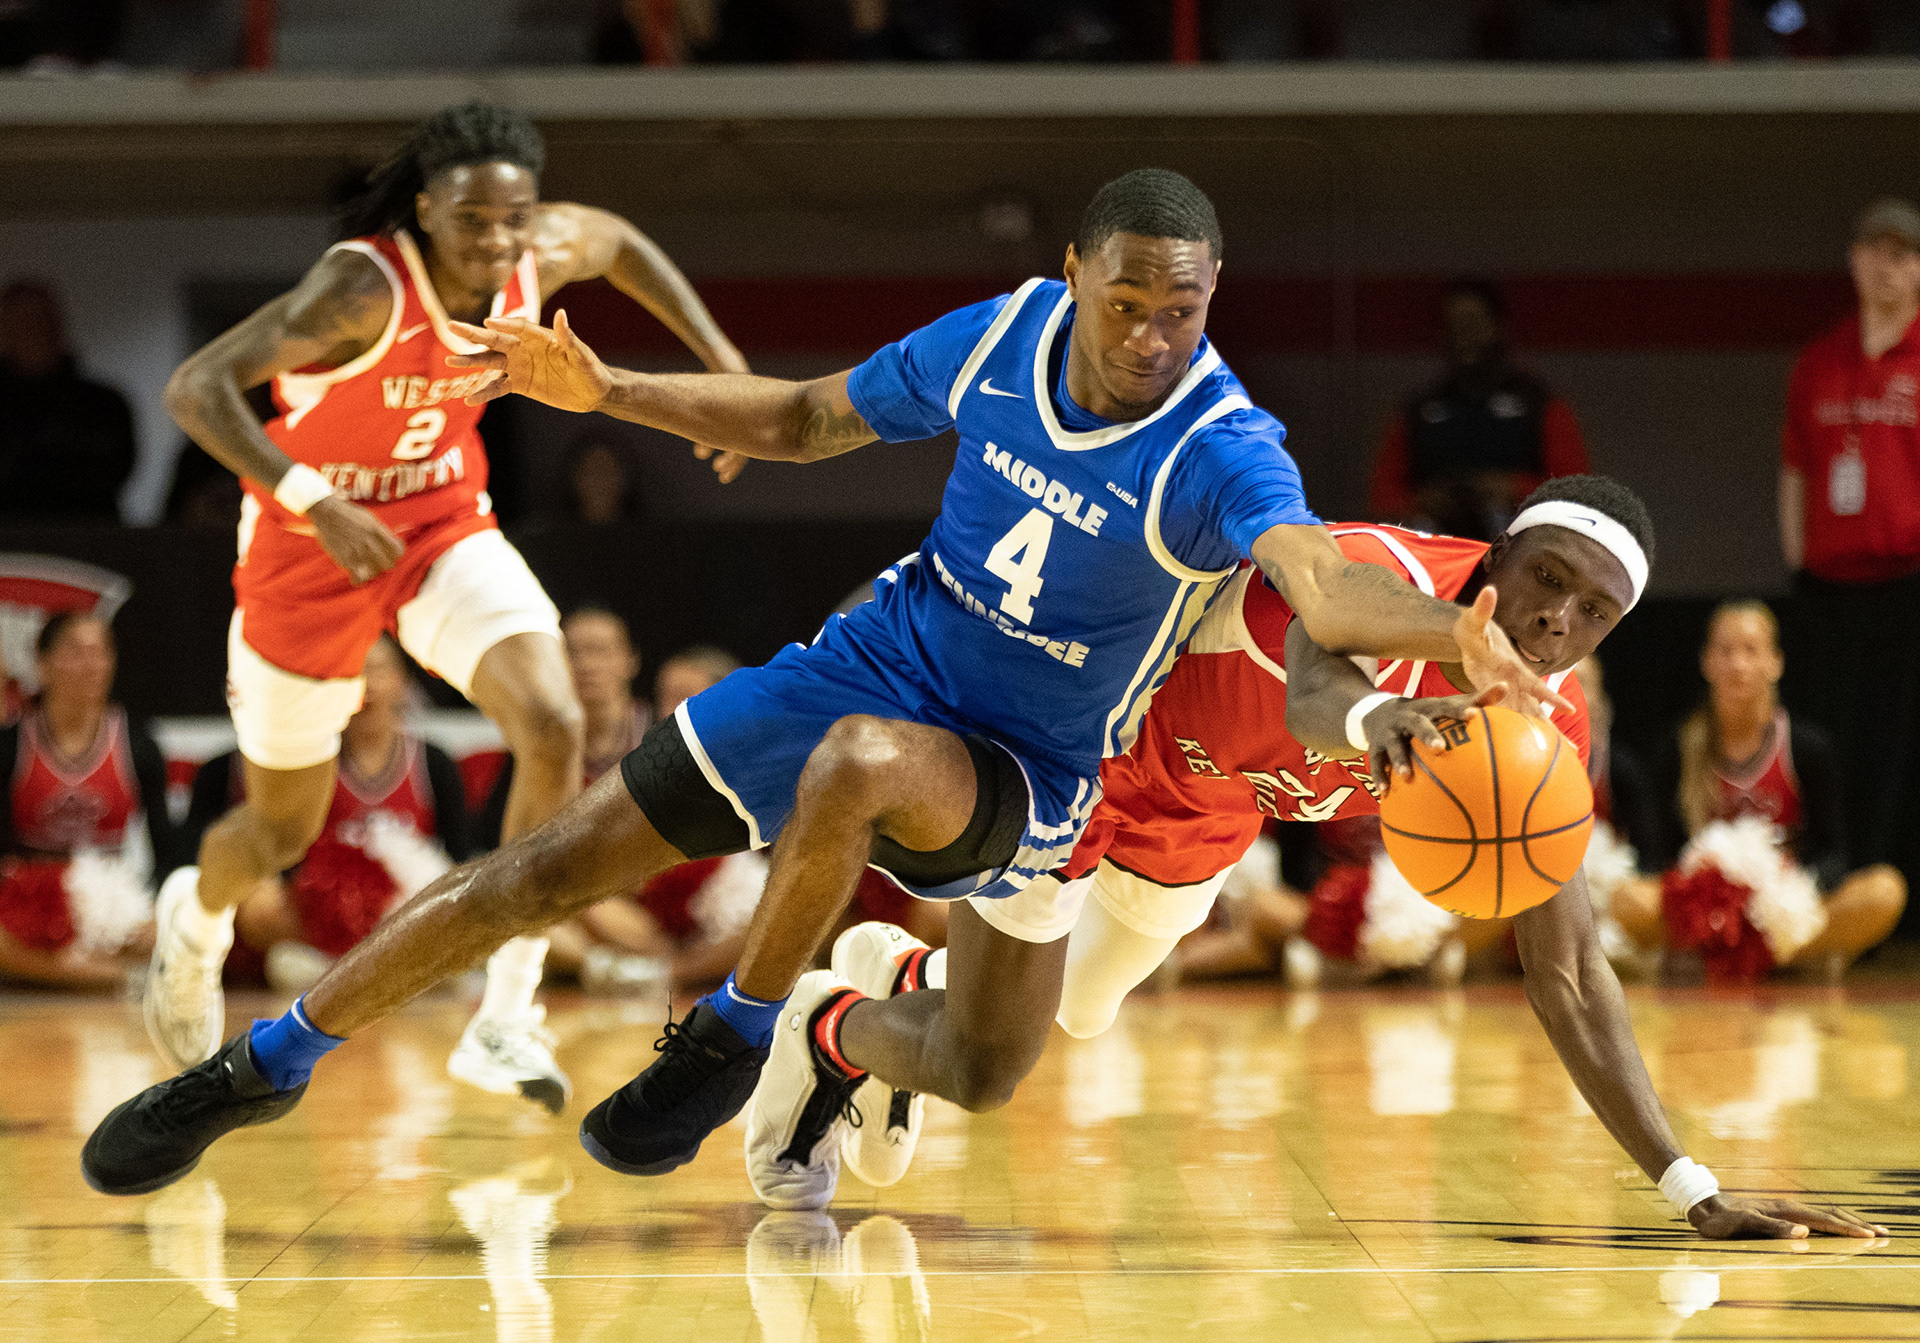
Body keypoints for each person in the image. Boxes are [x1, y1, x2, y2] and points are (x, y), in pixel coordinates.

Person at [83, 168, 1565, 1206]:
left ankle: (734, 1029)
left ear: (1210, 295)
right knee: (543, 864)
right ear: (1076, 279)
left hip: (1029, 762)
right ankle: (258, 1065)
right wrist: (606, 392)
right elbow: (802, 416)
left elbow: (1317, 580)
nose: (1153, 336)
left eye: (1181, 308)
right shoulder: (998, 338)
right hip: (884, 652)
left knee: (879, 801)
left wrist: (1455, 634)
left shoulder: (1225, 444)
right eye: (1128, 305)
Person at [832, 478, 1880, 1240]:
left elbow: (1567, 972)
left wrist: (1691, 1186)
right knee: (994, 1057)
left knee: (1079, 1005)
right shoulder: (1383, 571)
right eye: (1547, 579)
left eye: (1593, 611)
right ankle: (828, 1029)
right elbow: (1310, 686)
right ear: (1497, 555)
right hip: (1091, 737)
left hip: (1208, 796)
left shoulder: (1542, 731)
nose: (1557, 618)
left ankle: (904, 982)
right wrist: (1383, 715)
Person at [138, 102, 749, 1116]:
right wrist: (316, 501)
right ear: (425, 209)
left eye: (511, 220)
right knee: (279, 828)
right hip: (308, 542)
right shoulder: (356, 287)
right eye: (471, 219)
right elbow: (198, 388)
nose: (495, 240)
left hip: (438, 524)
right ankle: (193, 921)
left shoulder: (535, 245)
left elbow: (623, 244)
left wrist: (722, 361)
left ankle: (506, 1013)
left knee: (553, 723)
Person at [1611, 601, 1906, 981]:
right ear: (1706, 662)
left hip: (1786, 908)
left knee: (1885, 890)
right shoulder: (1679, 747)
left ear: (1775, 662)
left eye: (1751, 650)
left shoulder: (1807, 748)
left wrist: (1780, 889)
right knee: (1627, 898)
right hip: (1709, 913)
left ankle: (1746, 957)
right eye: (1726, 651)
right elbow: (1660, 853)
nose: (1738, 664)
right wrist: (1702, 888)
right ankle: (1780, 960)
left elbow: (1834, 853)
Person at [180, 637, 474, 994]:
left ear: (402, 681)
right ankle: (362, 973)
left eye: (379, 669)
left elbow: (459, 859)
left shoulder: (434, 764)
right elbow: (287, 847)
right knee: (259, 907)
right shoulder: (311, 759)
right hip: (316, 912)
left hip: (399, 910)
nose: (367, 685)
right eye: (354, 672)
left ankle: (346, 975)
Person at [1779, 198, 1920, 910]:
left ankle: (1898, 898)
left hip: (1908, 583)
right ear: (1853, 260)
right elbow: (1796, 468)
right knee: (1832, 745)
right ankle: (1837, 889)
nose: (1886, 268)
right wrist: (1799, 563)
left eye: (1902, 255)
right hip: (1831, 588)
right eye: (1875, 252)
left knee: (1901, 748)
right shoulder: (1821, 360)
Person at [0, 613, 169, 989]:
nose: (92, 664)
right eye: (76, 651)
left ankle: (66, 973)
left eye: (101, 651)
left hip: (109, 905)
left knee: (178, 930)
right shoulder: (11, 744)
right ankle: (98, 977)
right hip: (32, 906)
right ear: (42, 665)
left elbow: (167, 848)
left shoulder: (138, 743)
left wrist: (160, 912)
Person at [1368, 278, 1590, 541]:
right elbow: (1383, 497)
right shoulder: (1417, 409)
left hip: (1521, 552)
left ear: (1499, 327)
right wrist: (1424, 501)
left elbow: (1578, 494)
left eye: (1474, 324)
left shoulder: (1538, 404)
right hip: (1436, 554)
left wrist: (1511, 489)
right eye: (1454, 326)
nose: (1464, 336)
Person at [0, 279, 137, 521]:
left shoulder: (103, 404)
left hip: (86, 537)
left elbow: (107, 476)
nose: (33, 332)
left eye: (40, 321)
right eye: (21, 323)